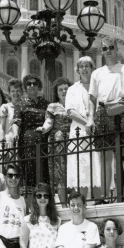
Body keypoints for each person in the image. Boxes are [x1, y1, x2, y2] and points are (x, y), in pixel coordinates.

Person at [86, 36, 124, 199]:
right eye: (104, 48)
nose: (108, 51)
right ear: (101, 51)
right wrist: (90, 118)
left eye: (110, 48)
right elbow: (92, 98)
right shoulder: (97, 73)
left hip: (123, 109)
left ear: (116, 50)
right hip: (103, 112)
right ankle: (105, 195)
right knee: (105, 155)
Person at [66, 55, 100, 200]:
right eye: (81, 66)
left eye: (87, 66)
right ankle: (83, 201)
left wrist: (94, 122)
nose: (84, 69)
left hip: (97, 131)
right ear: (77, 70)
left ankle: (101, 200)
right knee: (82, 170)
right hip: (80, 131)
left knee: (98, 167)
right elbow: (70, 111)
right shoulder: (72, 89)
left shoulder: (99, 86)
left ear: (92, 68)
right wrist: (88, 122)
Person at [12, 74, 49, 189]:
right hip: (27, 141)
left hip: (44, 140)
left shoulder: (46, 103)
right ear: (25, 87)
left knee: (44, 167)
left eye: (35, 83)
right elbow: (16, 121)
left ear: (39, 87)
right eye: (29, 84)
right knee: (29, 168)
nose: (32, 86)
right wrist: (15, 134)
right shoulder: (20, 104)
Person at [42, 77, 72, 207]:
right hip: (58, 141)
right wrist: (43, 129)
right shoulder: (53, 106)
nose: (64, 91)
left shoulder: (75, 104)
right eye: (61, 90)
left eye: (66, 89)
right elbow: (49, 121)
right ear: (57, 92)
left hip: (74, 140)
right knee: (61, 173)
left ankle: (75, 202)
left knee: (74, 171)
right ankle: (64, 205)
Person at [0, 78, 24, 150]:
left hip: (22, 143)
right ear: (9, 93)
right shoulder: (5, 107)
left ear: (22, 92)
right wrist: (3, 142)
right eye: (13, 91)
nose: (15, 93)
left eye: (18, 91)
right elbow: (0, 127)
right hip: (8, 143)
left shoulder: (25, 107)